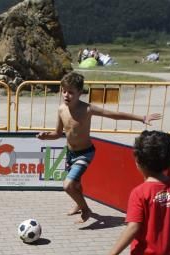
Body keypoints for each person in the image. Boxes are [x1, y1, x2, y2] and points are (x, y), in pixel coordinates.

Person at [36, 71, 161, 223]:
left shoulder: (88, 109)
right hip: (70, 152)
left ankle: (86, 209)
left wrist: (141, 118)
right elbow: (57, 133)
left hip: (85, 153)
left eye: (71, 92)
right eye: (64, 91)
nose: (66, 95)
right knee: (76, 183)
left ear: (80, 93)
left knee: (68, 185)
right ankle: (78, 204)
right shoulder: (61, 109)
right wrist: (46, 136)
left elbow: (114, 115)